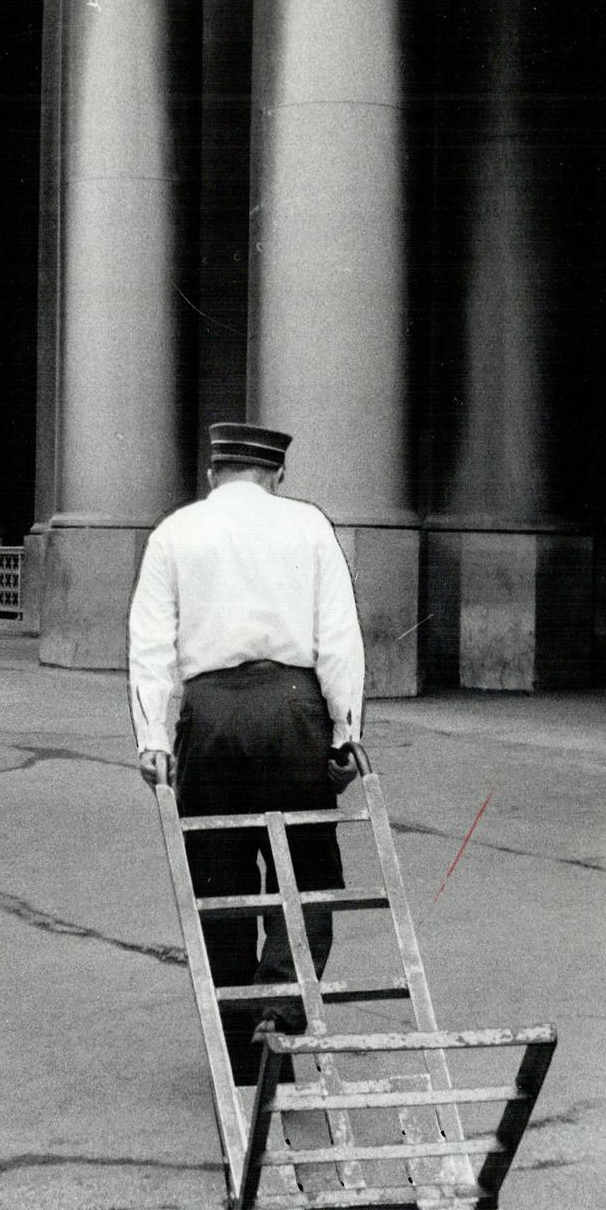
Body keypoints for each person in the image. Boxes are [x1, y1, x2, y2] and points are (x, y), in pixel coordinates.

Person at [128, 422, 366, 1083]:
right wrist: (346, 731)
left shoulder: (174, 533)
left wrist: (153, 736)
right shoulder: (309, 526)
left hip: (209, 717)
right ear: (276, 476)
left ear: (214, 474)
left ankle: (243, 1056)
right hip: (292, 710)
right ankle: (281, 1002)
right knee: (309, 870)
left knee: (220, 881)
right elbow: (339, 638)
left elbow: (151, 642)